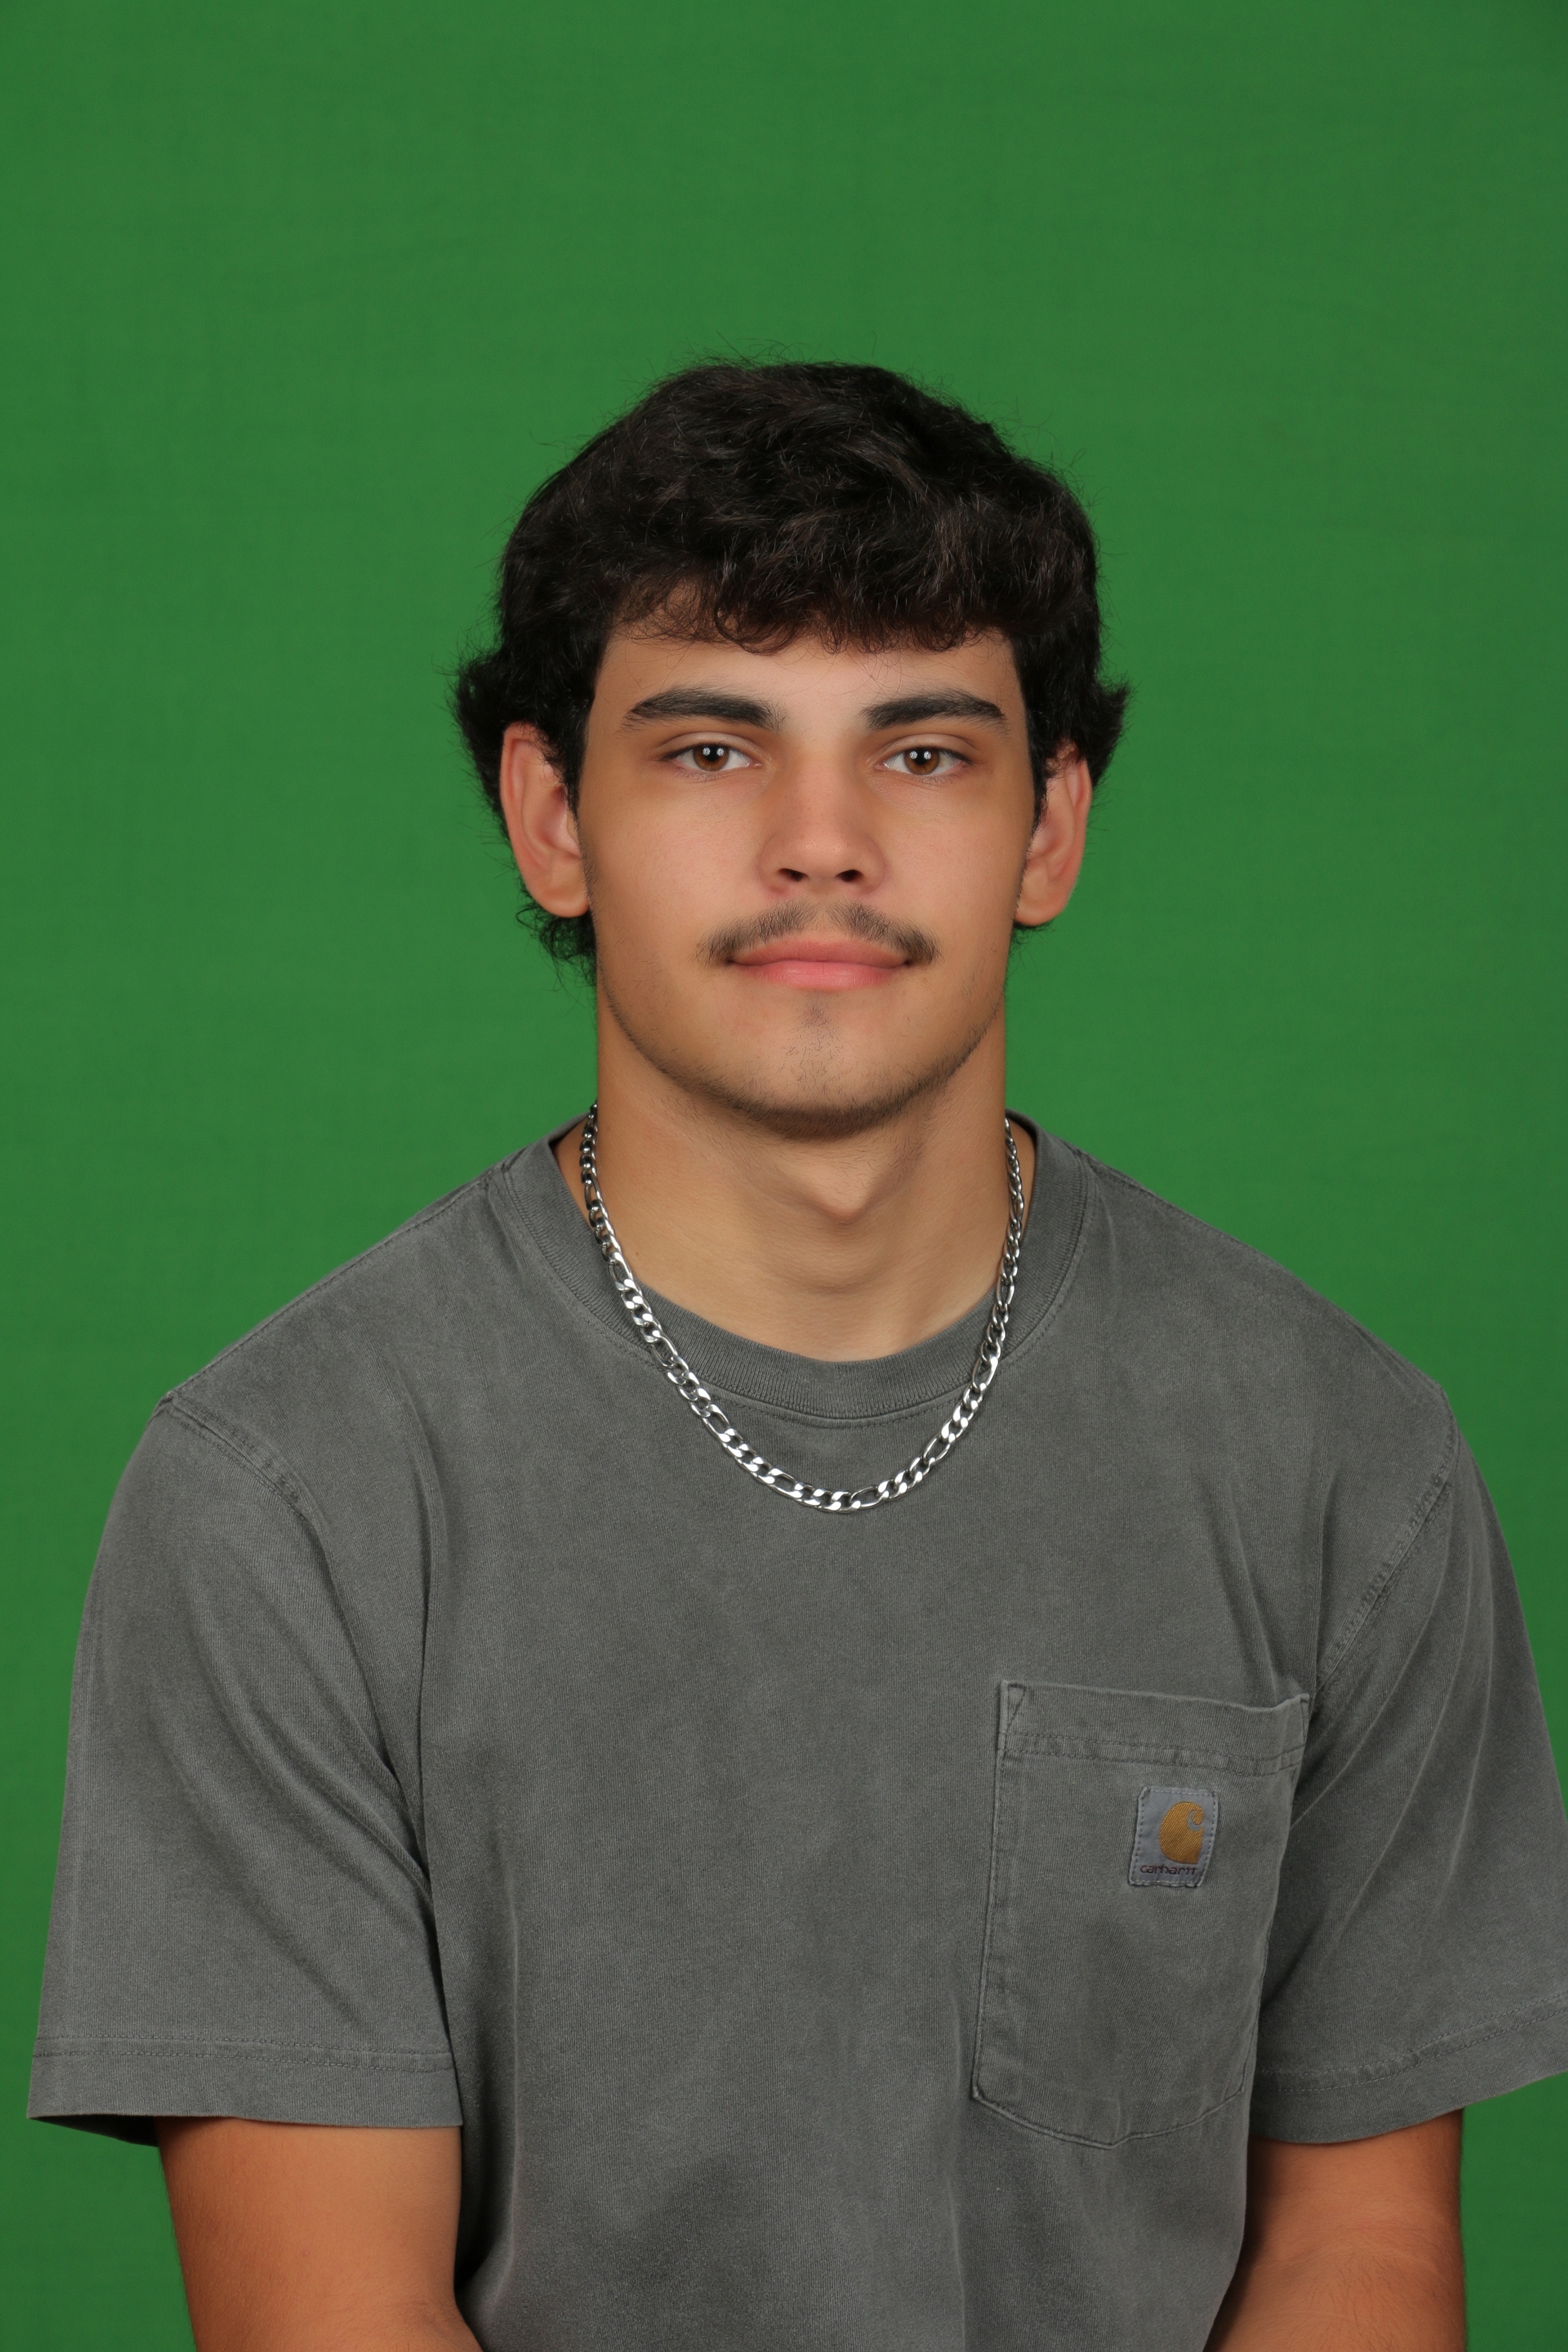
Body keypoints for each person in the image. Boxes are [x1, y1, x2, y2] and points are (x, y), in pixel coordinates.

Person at [30, 361, 1568, 2351]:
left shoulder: (1344, 1462)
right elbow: (330, 2317)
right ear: (553, 818)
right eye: (711, 749)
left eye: (922, 752)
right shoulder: (286, 1500)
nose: (822, 843)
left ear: (1049, 828)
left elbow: (1360, 2253)